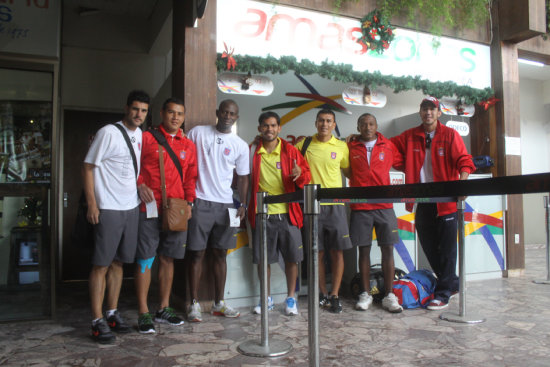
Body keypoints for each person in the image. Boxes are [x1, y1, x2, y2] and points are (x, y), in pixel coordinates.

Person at [391, 96, 476, 310]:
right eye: (424, 109)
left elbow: (464, 160)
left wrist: (462, 184)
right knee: (429, 246)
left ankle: (444, 292)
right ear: (420, 112)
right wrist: (406, 166)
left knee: (447, 249)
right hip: (423, 199)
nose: (428, 112)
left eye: (432, 109)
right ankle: (452, 282)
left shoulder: (450, 135)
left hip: (446, 200)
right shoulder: (410, 135)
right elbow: (387, 148)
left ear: (439, 113)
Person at [83, 90, 150, 343]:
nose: (139, 114)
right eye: (135, 109)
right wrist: (92, 204)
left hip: (130, 206)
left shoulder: (141, 135)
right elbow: (88, 167)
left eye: (143, 110)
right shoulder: (108, 133)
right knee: (101, 264)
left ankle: (111, 312)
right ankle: (96, 320)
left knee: (120, 262)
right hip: (108, 207)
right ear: (126, 108)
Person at [134, 98, 197, 333]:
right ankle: (143, 312)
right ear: (162, 113)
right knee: (145, 258)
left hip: (177, 208)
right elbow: (134, 167)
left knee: (168, 258)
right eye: (171, 112)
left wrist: (190, 202)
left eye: (179, 114)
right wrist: (140, 184)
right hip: (149, 208)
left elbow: (191, 177)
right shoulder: (146, 138)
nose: (175, 117)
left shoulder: (189, 145)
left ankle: (163, 308)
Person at [186, 99, 249, 322]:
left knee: (220, 254)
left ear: (236, 117)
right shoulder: (197, 133)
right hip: (200, 201)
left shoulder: (240, 145)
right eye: (224, 112)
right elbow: (186, 163)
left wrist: (242, 204)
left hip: (225, 206)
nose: (227, 116)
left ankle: (218, 303)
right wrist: (187, 198)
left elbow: (243, 178)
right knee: (196, 254)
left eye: (232, 113)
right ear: (217, 112)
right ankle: (193, 304)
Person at [248, 111, 311, 316]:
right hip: (262, 214)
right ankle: (266, 298)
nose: (270, 129)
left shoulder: (291, 151)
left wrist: (299, 175)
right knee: (263, 260)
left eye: (273, 125)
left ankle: (291, 297)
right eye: (265, 126)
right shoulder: (252, 151)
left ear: (279, 128)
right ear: (259, 128)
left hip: (288, 214)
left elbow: (307, 176)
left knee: (293, 258)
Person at [295, 109, 351, 314]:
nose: (324, 124)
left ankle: (334, 295)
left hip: (335, 206)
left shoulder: (342, 147)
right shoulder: (304, 144)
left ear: (334, 124)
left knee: (337, 252)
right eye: (321, 121)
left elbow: (349, 171)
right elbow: (289, 160)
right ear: (315, 123)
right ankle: (321, 293)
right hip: (312, 206)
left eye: (328, 121)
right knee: (316, 253)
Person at [347, 113, 404, 313]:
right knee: (363, 250)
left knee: (388, 249)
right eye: (363, 124)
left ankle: (389, 295)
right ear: (358, 126)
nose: (367, 127)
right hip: (361, 206)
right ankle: (365, 294)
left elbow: (404, 162)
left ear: (377, 125)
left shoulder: (388, 145)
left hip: (384, 205)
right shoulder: (350, 146)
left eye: (371, 123)